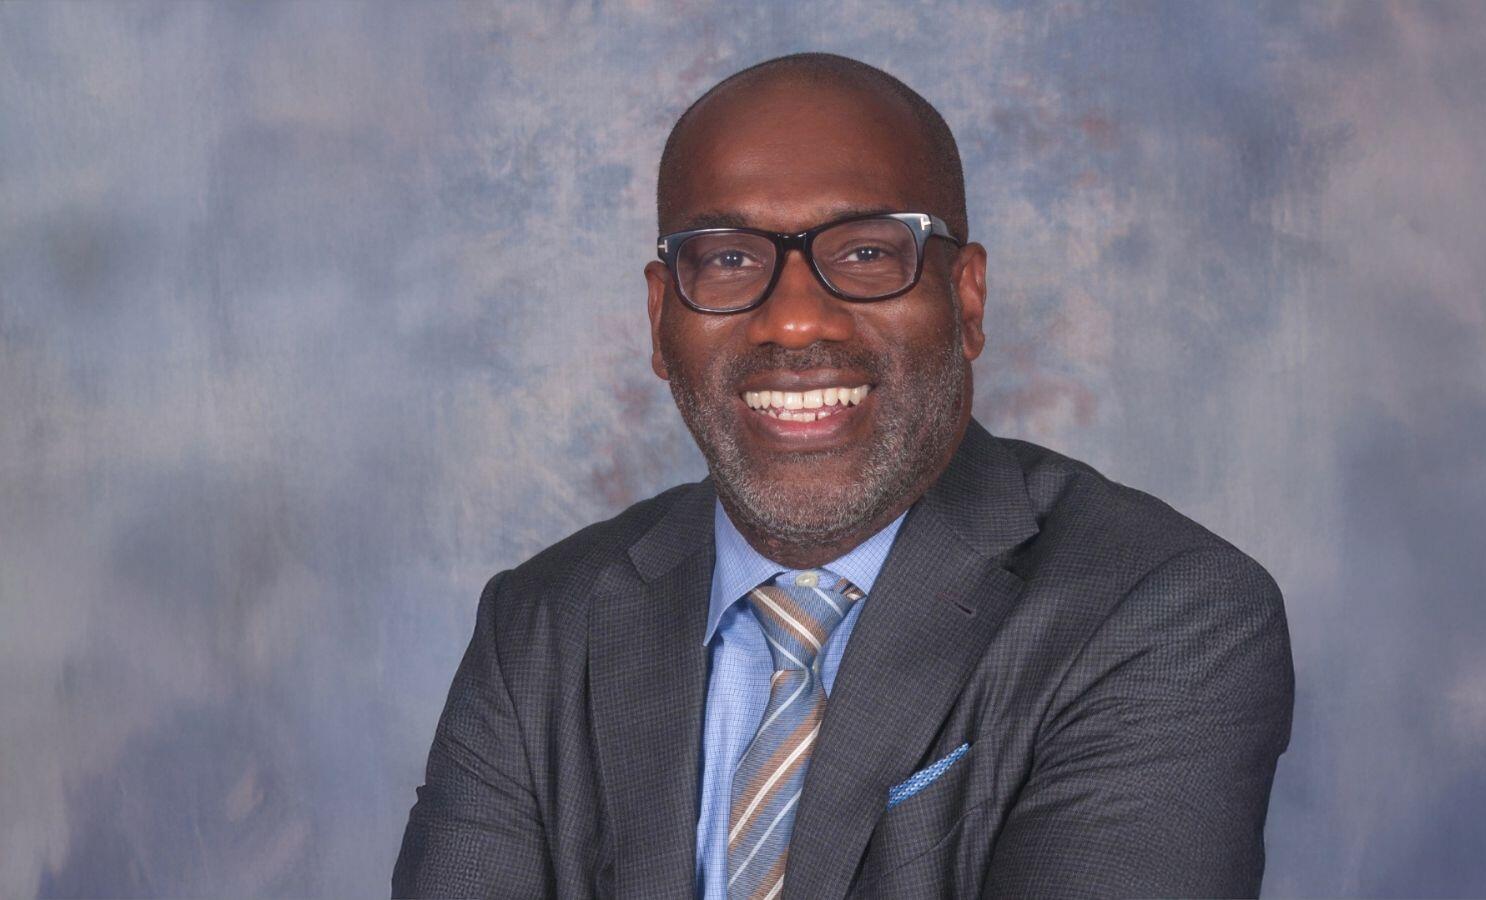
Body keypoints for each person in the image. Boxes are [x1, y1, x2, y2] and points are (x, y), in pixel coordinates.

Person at [393, 52, 1294, 899]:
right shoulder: (541, 627)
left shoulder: (1164, 614)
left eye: (866, 252)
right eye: (731, 258)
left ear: (966, 300)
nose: (792, 322)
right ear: (662, 321)